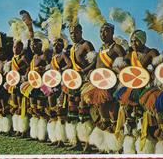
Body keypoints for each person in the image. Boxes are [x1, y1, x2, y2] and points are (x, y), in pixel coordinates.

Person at [114, 29, 159, 154]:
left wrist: (150, 73)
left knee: (146, 115)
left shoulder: (151, 52)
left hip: (147, 88)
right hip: (131, 87)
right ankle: (129, 147)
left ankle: (146, 146)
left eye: (137, 41)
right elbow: (123, 70)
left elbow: (158, 69)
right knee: (128, 114)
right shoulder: (129, 55)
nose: (134, 43)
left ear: (143, 41)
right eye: (132, 41)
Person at [86, 23, 126, 153]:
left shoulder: (117, 48)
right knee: (103, 116)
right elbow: (96, 65)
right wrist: (89, 72)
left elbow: (124, 65)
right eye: (101, 31)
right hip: (100, 85)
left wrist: (114, 73)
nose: (103, 34)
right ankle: (105, 146)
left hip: (112, 85)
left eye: (106, 31)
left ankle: (116, 146)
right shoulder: (101, 48)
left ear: (112, 32)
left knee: (113, 113)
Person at [66, 23, 96, 152]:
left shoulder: (86, 45)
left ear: (81, 31)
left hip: (85, 81)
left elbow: (95, 61)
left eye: (76, 32)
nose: (73, 35)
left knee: (83, 111)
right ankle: (76, 141)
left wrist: (83, 71)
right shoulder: (72, 48)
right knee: (73, 111)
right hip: (74, 82)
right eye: (71, 33)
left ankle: (87, 144)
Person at [46, 38, 72, 147]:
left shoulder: (63, 55)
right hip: (53, 84)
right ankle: (55, 138)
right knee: (52, 110)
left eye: (59, 45)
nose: (56, 46)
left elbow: (70, 64)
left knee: (60, 110)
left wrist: (61, 70)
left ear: (62, 46)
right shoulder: (53, 58)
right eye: (55, 44)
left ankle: (61, 139)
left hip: (62, 83)